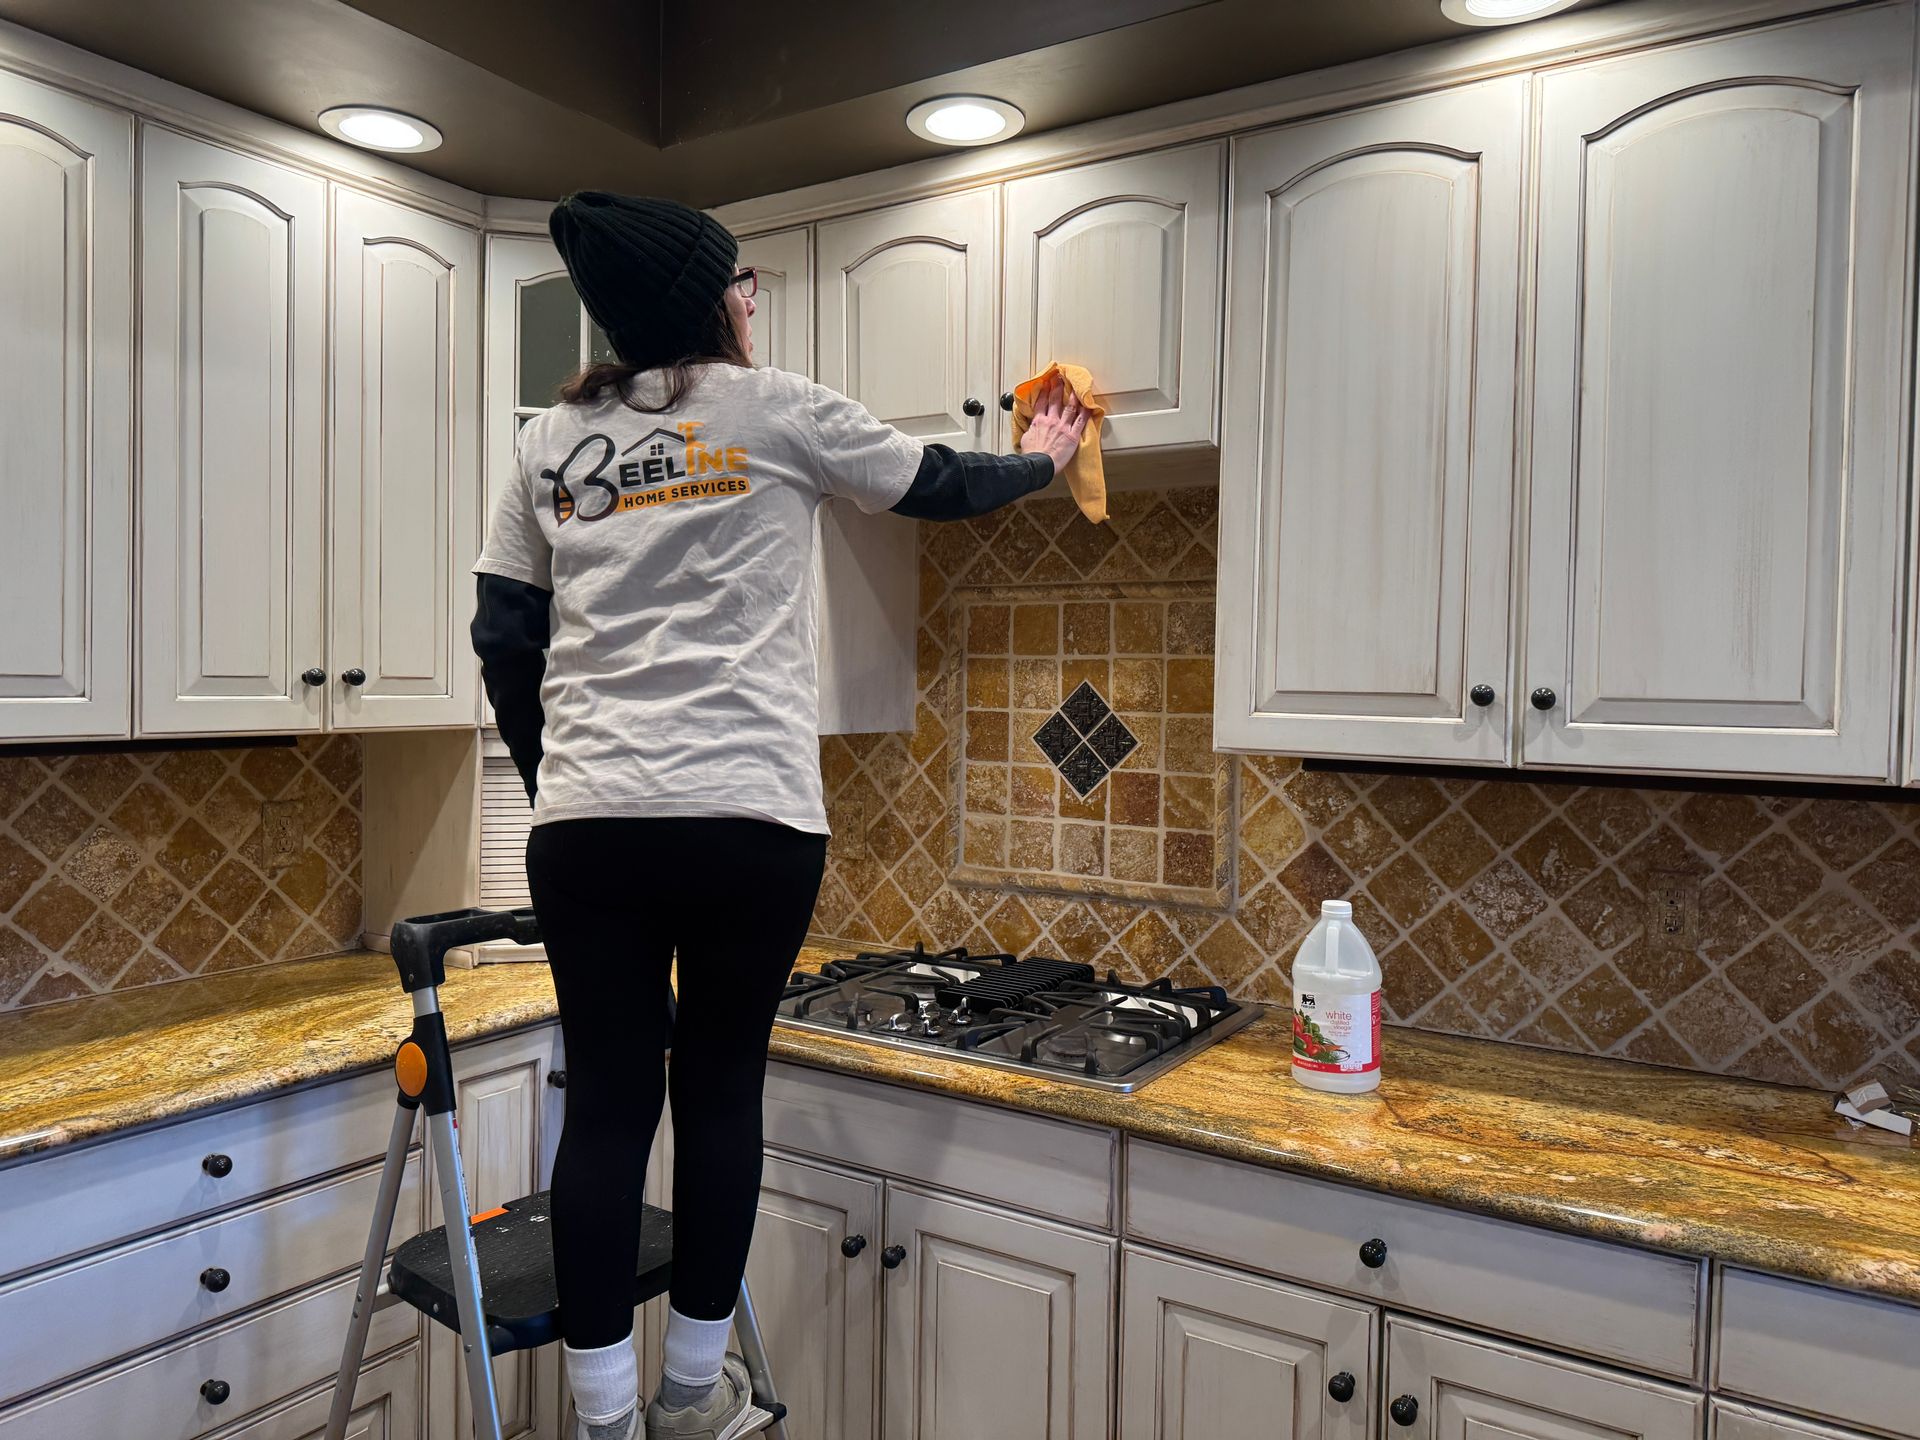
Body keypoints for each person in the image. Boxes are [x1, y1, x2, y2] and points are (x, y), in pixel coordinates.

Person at [472, 190, 1087, 1440]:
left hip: (591, 826)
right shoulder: (782, 410)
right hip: (750, 818)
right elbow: (940, 480)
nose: (755, 294)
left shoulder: (547, 440)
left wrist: (566, 792)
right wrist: (1050, 457)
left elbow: (503, 634)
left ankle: (600, 1422)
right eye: (740, 278)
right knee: (718, 1091)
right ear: (709, 296)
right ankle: (691, 1400)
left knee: (604, 1109)